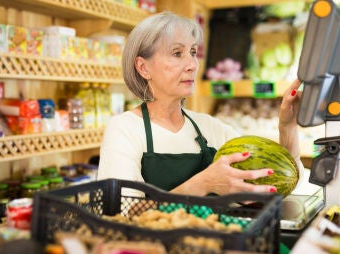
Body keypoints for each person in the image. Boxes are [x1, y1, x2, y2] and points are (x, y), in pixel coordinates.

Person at [97, 11, 304, 197]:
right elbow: (120, 214)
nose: (193, 65)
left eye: (193, 52)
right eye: (177, 53)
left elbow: (279, 179)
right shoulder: (125, 129)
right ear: (143, 68)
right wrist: (203, 184)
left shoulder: (211, 129)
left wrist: (287, 128)